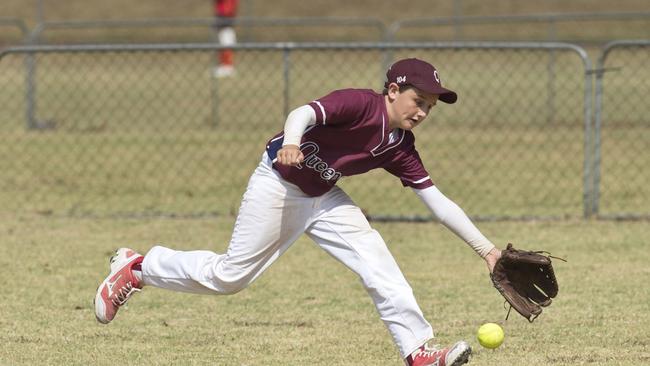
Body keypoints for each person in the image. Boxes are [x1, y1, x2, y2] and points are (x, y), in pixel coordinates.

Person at [94, 58, 502, 366]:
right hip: (278, 184)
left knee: (376, 258)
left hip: (324, 197)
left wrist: (486, 250)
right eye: (419, 100)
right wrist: (292, 140)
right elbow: (304, 113)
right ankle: (138, 268)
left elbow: (437, 201)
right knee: (229, 277)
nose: (423, 112)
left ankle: (417, 351)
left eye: (430, 107)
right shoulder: (361, 104)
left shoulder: (400, 145)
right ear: (393, 90)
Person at [213, 0, 238, 77]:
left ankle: (227, 66)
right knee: (223, 43)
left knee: (226, 43)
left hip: (226, 16)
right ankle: (224, 65)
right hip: (224, 16)